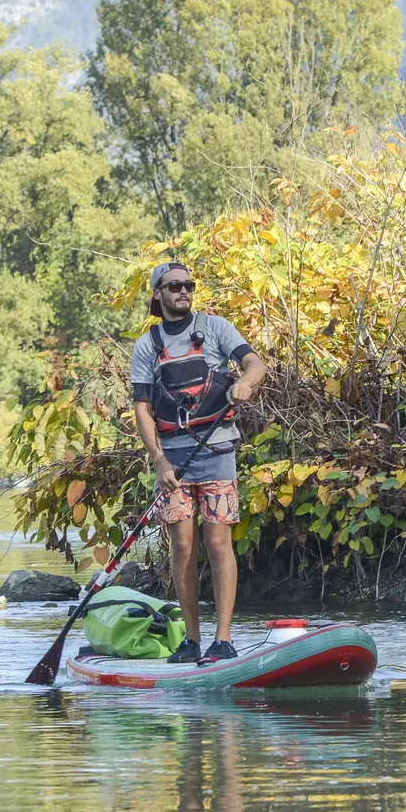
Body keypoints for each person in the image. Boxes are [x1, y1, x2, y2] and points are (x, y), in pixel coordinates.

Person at [132, 262, 267, 663]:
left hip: (218, 452)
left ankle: (222, 640)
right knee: (183, 546)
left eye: (188, 285)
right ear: (158, 293)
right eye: (174, 286)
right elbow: (143, 409)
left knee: (218, 543)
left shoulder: (216, 328)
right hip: (172, 460)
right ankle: (191, 640)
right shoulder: (147, 345)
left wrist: (245, 382)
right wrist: (158, 460)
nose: (184, 291)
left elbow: (255, 363)